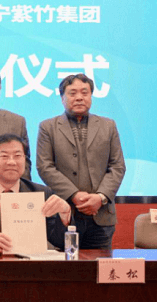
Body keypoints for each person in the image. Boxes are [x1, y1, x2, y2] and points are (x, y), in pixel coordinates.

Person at [36, 73, 126, 250]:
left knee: (100, 264)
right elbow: (45, 167)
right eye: (72, 93)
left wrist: (100, 198)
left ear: (91, 96)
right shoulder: (48, 127)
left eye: (85, 93)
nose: (79, 97)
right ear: (62, 98)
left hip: (101, 215)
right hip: (64, 214)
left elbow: (117, 166)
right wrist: (74, 195)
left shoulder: (108, 126)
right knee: (64, 265)